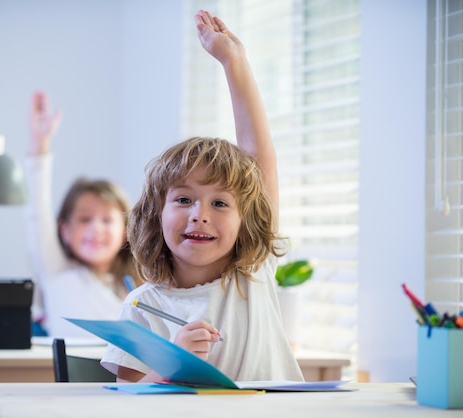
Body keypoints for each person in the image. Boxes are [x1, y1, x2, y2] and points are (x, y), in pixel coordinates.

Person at [101, 10, 304, 382]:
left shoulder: (252, 276)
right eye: (183, 200)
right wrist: (173, 364)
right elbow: (129, 402)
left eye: (220, 203)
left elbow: (262, 160)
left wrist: (234, 62)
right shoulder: (142, 306)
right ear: (155, 214)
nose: (200, 214)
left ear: (247, 219)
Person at [24, 91, 140, 338]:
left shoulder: (137, 288)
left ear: (125, 231)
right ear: (65, 231)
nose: (96, 228)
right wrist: (40, 146)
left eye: (107, 220)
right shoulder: (57, 272)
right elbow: (37, 214)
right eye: (85, 219)